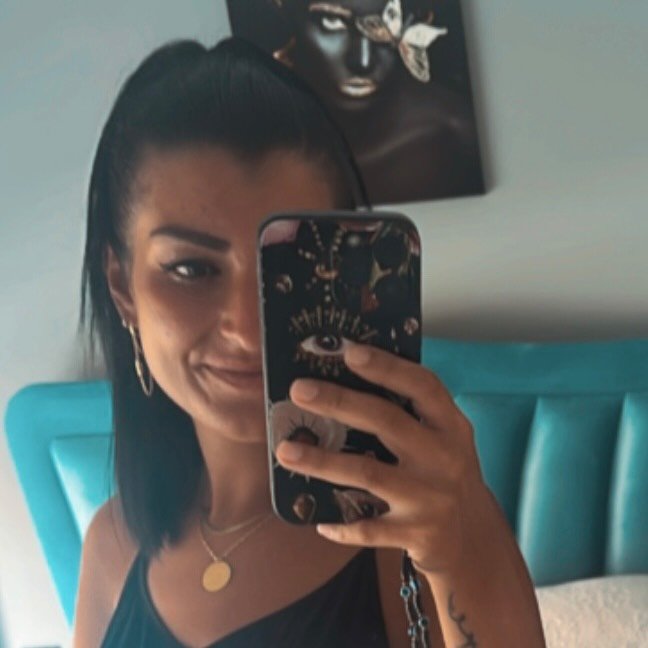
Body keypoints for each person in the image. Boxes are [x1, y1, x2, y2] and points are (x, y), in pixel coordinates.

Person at [73, 36, 544, 647]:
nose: (246, 330)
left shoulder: (409, 524)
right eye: (192, 269)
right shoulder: (111, 545)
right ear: (122, 287)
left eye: (284, 273)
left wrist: (465, 549)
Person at [257, 0, 485, 204]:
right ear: (285, 13)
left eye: (386, 26)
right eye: (332, 22)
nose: (363, 61)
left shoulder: (455, 135)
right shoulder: (259, 139)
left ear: (420, 18)